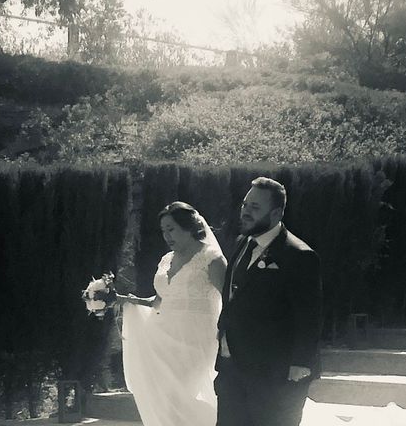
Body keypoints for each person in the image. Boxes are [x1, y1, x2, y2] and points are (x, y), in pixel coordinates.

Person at [215, 177, 323, 426]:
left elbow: (309, 316)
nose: (245, 212)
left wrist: (300, 364)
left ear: (276, 212)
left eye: (255, 208)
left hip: (275, 374)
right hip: (233, 369)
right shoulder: (242, 244)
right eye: (244, 205)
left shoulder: (299, 256)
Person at [118, 201, 227, 426]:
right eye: (163, 230)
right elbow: (161, 300)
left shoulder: (212, 260)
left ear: (189, 227)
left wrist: (226, 337)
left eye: (172, 229)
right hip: (162, 336)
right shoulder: (167, 260)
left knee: (180, 397)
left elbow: (230, 301)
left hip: (195, 341)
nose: (167, 236)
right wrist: (129, 300)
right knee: (162, 398)